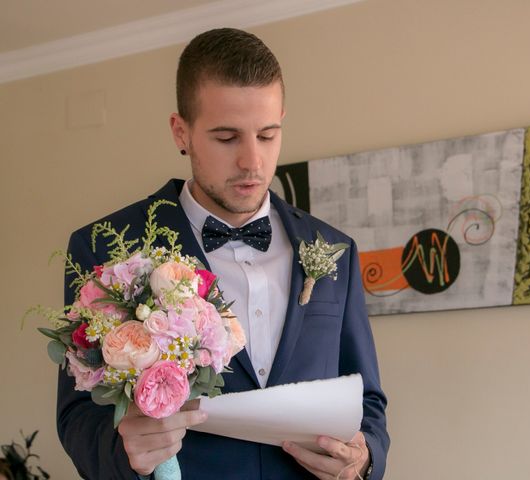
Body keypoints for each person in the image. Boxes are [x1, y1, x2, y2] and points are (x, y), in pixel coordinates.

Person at [57, 27, 389, 479]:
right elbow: (78, 415)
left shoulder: (335, 251)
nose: (252, 162)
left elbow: (367, 399)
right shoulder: (105, 246)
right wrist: (125, 451)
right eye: (227, 137)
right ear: (182, 132)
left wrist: (364, 458)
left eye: (268, 135)